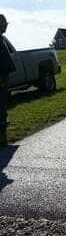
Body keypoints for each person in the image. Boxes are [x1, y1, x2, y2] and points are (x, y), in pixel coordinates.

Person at [0, 14, 16, 147]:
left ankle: (3, 127)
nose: (6, 26)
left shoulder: (1, 39)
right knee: (1, 101)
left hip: (4, 76)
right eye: (4, 24)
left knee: (3, 100)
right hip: (1, 77)